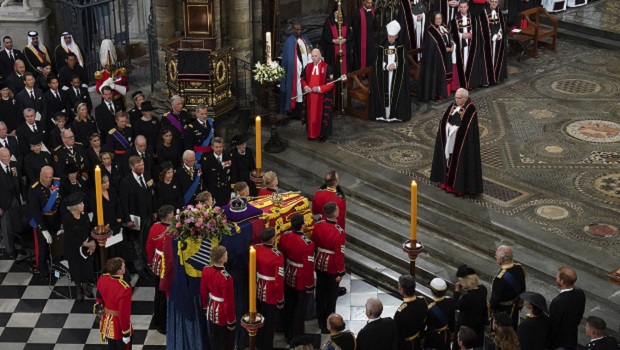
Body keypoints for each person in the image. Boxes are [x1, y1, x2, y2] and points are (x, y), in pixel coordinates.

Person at [429, 88, 483, 196]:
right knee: (448, 159)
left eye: (459, 98)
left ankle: (459, 186)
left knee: (459, 162)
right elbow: (444, 120)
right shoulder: (453, 105)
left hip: (461, 144)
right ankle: (446, 181)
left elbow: (468, 131)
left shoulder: (471, 110)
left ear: (465, 98)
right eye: (456, 98)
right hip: (449, 139)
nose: (456, 100)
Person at [278, 214, 315, 341]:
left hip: (289, 273)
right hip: (300, 278)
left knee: (289, 305)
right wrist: (310, 285)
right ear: (302, 225)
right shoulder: (307, 244)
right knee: (300, 308)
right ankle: (297, 335)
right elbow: (308, 267)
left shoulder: (285, 236)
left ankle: (288, 332)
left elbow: (281, 255)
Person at [312, 202, 346, 333]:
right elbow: (339, 254)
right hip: (332, 265)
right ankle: (330, 323)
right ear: (334, 213)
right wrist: (340, 272)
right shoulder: (339, 232)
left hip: (320, 261)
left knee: (320, 293)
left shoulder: (318, 225)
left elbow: (314, 243)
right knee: (331, 296)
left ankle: (321, 321)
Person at [119, 155, 154, 276]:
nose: (141, 167)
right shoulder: (126, 182)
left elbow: (150, 194)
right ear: (131, 167)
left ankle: (147, 263)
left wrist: (153, 212)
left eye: (142, 165)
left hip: (147, 216)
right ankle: (139, 267)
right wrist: (128, 220)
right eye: (139, 166)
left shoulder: (148, 175)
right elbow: (124, 203)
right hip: (135, 219)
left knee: (146, 242)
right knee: (137, 244)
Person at [369, 20, 411, 122]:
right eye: (389, 36)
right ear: (387, 35)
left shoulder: (400, 47)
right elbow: (377, 62)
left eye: (393, 37)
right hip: (384, 75)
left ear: (396, 36)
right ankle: (384, 115)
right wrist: (386, 66)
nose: (391, 39)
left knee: (396, 93)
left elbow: (404, 61)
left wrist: (396, 65)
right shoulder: (381, 47)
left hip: (396, 75)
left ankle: (395, 115)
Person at [28, 166, 61, 280]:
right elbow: (35, 211)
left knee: (56, 245)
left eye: (50, 177)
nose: (48, 180)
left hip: (55, 220)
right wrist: (43, 229)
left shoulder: (56, 183)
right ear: (41, 176)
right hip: (42, 221)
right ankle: (42, 270)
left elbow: (58, 203)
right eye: (46, 177)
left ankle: (56, 266)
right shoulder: (34, 189)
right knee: (43, 248)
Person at [200, 245, 236, 350]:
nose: (227, 255)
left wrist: (204, 306)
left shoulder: (206, 270)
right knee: (226, 343)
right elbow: (228, 303)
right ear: (221, 259)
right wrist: (231, 321)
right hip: (222, 314)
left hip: (211, 309)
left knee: (215, 340)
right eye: (226, 254)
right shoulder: (226, 278)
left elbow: (203, 290)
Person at [62, 192, 96, 300]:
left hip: (86, 246)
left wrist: (92, 244)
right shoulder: (67, 219)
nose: (83, 205)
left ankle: (85, 287)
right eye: (80, 204)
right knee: (76, 268)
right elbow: (71, 237)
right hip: (73, 248)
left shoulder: (84, 215)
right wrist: (87, 244)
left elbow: (90, 229)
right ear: (74, 207)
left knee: (87, 267)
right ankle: (78, 288)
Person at [255, 227, 285, 350]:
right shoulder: (277, 256)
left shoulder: (256, 248)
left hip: (259, 288)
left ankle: (259, 343)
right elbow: (278, 281)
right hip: (271, 292)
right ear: (273, 239)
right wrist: (280, 299)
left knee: (259, 319)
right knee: (269, 324)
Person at [146, 205, 174, 334]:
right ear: (169, 216)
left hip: (157, 261)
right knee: (164, 293)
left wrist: (151, 262)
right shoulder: (172, 230)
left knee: (158, 292)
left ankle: (157, 319)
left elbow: (149, 246)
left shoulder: (154, 226)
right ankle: (164, 324)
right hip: (167, 264)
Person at [95, 257, 134, 349]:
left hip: (107, 322)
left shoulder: (102, 278)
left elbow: (99, 298)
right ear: (119, 271)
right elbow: (123, 314)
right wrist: (126, 333)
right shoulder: (125, 288)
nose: (125, 268)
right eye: (123, 267)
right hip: (118, 326)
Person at [450, 0, 487, 91]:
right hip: (460, 46)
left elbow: (476, 30)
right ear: (458, 8)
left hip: (470, 45)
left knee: (470, 63)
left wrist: (470, 34)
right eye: (461, 7)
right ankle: (459, 84)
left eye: (465, 7)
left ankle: (469, 83)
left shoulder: (473, 18)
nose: (463, 9)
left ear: (468, 7)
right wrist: (461, 35)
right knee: (460, 64)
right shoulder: (454, 19)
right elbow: (451, 33)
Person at [547, 265, 587, 349]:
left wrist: (547, 344)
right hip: (572, 337)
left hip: (558, 342)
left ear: (562, 281)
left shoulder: (557, 302)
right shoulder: (580, 293)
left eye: (557, 277)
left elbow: (553, 326)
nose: (556, 278)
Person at [300, 48, 335, 142]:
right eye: (312, 56)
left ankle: (322, 135)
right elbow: (303, 79)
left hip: (322, 98)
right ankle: (311, 134)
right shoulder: (308, 67)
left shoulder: (327, 67)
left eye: (316, 56)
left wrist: (319, 89)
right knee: (311, 116)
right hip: (310, 98)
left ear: (320, 55)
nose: (314, 58)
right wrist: (305, 87)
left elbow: (331, 84)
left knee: (321, 116)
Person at [418, 12, 454, 102]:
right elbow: (432, 46)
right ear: (433, 19)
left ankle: (445, 92)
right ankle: (437, 93)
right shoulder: (431, 30)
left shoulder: (445, 27)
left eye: (440, 18)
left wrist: (452, 45)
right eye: (436, 18)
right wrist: (445, 49)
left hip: (447, 55)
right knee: (438, 74)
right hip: (436, 58)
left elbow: (449, 37)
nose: (438, 20)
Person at [280, 21, 312, 116]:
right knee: (296, 90)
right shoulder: (289, 42)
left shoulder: (304, 39)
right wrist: (298, 68)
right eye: (296, 29)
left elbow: (309, 51)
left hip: (305, 70)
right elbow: (290, 59)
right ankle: (295, 112)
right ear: (293, 29)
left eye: (300, 29)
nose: (298, 31)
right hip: (295, 72)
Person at [490, 245, 526, 329]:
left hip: (502, 312)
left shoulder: (499, 279)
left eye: (496, 255)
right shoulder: (520, 269)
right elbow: (522, 289)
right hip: (514, 308)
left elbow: (494, 301)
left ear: (502, 259)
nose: (495, 257)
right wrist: (519, 305)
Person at [453, 264, 488, 348]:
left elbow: (454, 305)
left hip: (466, 327)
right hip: (478, 324)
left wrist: (457, 291)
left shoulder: (467, 298)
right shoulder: (483, 289)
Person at [393, 274, 427, 350]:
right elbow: (424, 321)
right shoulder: (423, 301)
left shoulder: (400, 313)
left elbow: (398, 336)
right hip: (418, 339)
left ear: (402, 290)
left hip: (406, 345)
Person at [0, 147, 22, 258]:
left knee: (17, 225)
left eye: (8, 155)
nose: (8, 158)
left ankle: (18, 246)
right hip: (3, 204)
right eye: (5, 156)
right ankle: (10, 250)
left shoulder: (14, 164)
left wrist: (22, 197)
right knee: (7, 228)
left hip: (16, 200)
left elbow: (20, 181)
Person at [480, 0, 507, 86]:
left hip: (497, 40)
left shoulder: (499, 11)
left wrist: (499, 34)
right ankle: (487, 80)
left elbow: (501, 25)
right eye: (492, 1)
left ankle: (496, 77)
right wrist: (493, 36)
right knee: (487, 59)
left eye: (496, 1)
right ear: (489, 1)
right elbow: (483, 28)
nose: (494, 3)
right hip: (488, 41)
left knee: (496, 58)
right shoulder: (483, 12)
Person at [425, 278, 456, 350]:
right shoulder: (450, 301)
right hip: (446, 334)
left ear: (432, 292)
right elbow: (452, 320)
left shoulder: (430, 309)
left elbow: (430, 328)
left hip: (435, 338)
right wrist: (452, 332)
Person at [201, 137, 232, 207]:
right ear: (212, 147)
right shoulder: (207, 160)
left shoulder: (228, 156)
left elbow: (233, 173)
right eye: (217, 147)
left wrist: (232, 188)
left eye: (220, 147)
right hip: (213, 190)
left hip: (225, 189)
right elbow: (205, 177)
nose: (219, 149)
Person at [95, 40, 128, 104]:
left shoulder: (120, 72)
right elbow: (98, 91)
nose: (110, 67)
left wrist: (115, 87)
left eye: (111, 65)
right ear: (105, 65)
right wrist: (106, 82)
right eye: (108, 65)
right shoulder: (101, 74)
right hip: (106, 101)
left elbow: (126, 88)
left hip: (119, 100)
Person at [351, 0, 376, 71]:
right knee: (361, 57)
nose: (370, 4)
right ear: (363, 2)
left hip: (370, 39)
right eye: (368, 2)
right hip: (360, 39)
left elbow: (374, 25)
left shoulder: (372, 12)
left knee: (370, 56)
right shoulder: (358, 13)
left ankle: (369, 73)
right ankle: (361, 74)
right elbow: (354, 27)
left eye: (371, 3)